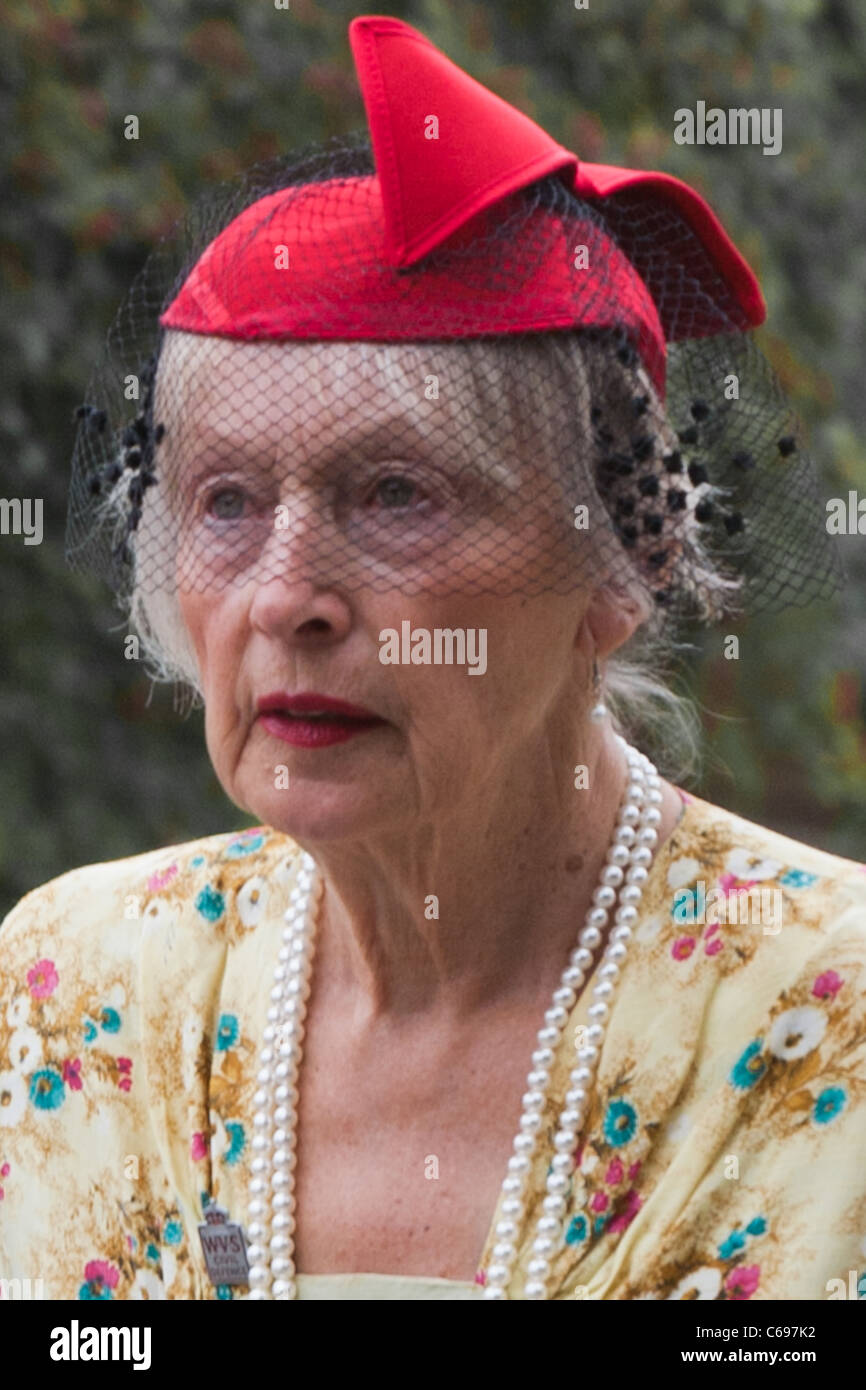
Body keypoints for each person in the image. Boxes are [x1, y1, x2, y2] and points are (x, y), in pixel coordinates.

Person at [1, 15, 863, 1302]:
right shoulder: (74, 989)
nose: (288, 595)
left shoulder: (829, 1018)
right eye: (225, 501)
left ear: (617, 568)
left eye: (396, 494)